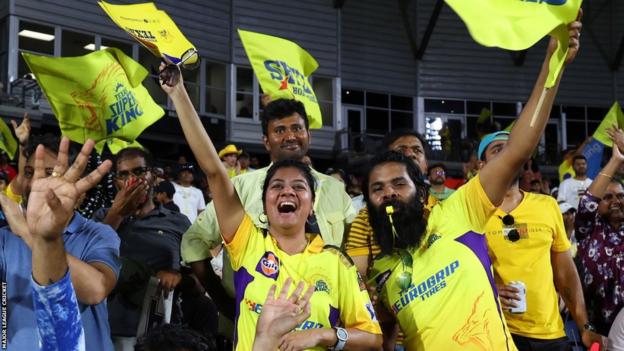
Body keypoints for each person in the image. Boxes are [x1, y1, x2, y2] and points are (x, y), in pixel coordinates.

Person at [365, 19, 581, 350]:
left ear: (422, 193)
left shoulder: (459, 211)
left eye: (398, 183)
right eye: (377, 189)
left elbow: (518, 149)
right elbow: (384, 337)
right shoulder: (381, 271)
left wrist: (553, 65)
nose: (389, 193)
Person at [159, 64, 382, 351]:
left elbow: (373, 339)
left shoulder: (337, 263)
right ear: (263, 202)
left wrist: (324, 335)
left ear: (312, 203)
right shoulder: (248, 244)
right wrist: (178, 93)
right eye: (276, 186)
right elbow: (213, 170)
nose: (287, 190)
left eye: (299, 187)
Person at [478, 131, 605, 351]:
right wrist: (489, 289)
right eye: (498, 150)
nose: (509, 155)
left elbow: (565, 273)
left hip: (550, 335)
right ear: (481, 165)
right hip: (494, 334)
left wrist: (584, 326)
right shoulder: (470, 213)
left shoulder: (547, 205)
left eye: (513, 149)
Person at [0, 135, 120, 351]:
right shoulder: (5, 237)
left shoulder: (98, 234)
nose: (37, 183)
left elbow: (95, 290)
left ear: (79, 192)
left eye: (50, 174)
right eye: (29, 173)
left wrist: (31, 235)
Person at [94, 147, 191, 350]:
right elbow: (88, 257)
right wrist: (118, 213)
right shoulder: (102, 218)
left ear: (154, 176)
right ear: (116, 182)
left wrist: (178, 275)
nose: (132, 180)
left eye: (139, 172)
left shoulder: (178, 222)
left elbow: (198, 279)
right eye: (124, 175)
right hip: (108, 330)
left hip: (161, 334)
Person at [575, 127, 624, 336]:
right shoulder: (589, 230)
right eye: (608, 197)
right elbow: (587, 203)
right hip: (598, 330)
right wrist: (616, 160)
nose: (616, 201)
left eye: (621, 196)